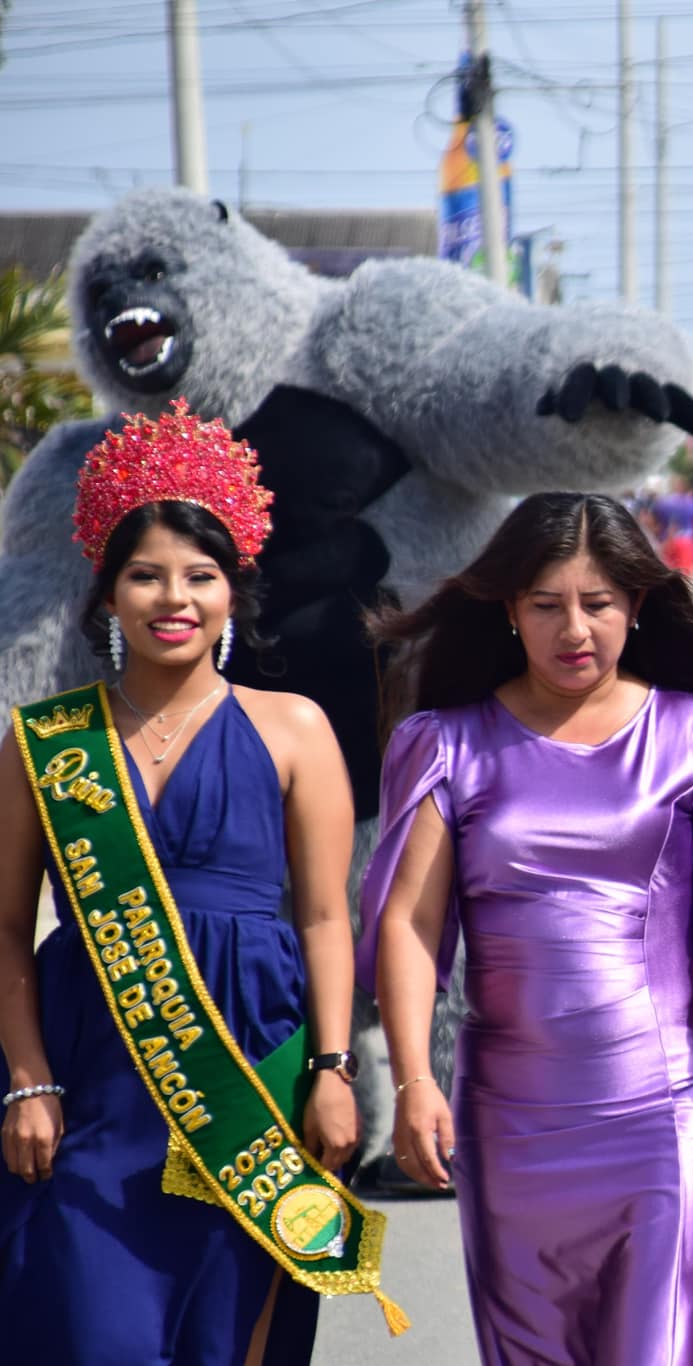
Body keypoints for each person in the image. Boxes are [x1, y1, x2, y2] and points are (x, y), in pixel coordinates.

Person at [358, 491, 693, 1366]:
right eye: (547, 605)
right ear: (508, 608)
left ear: (637, 605)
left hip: (665, 1107)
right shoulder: (446, 744)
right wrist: (415, 1081)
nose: (575, 629)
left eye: (598, 603)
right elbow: (412, 924)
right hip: (506, 1116)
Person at [0, 401, 375, 1364]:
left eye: (200, 575)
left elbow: (326, 916)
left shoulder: (295, 728)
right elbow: (4, 926)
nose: (175, 598)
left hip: (249, 1068)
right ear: (108, 595)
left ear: (232, 590)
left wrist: (334, 1070)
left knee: (228, 1336)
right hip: (91, 1074)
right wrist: (28, 1080)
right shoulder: (49, 743)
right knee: (92, 1329)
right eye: (146, 575)